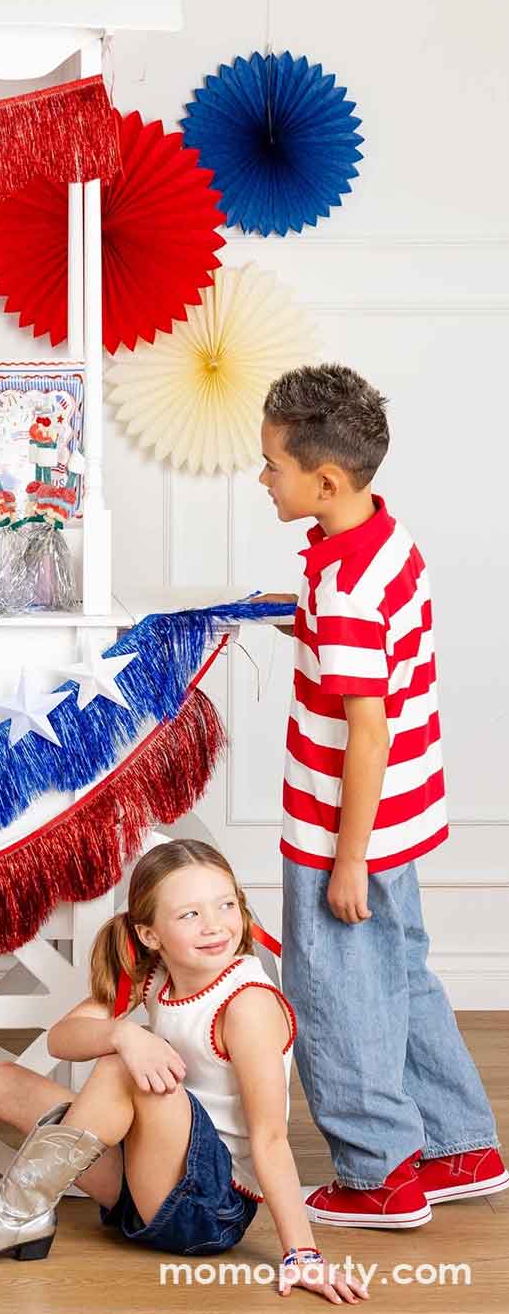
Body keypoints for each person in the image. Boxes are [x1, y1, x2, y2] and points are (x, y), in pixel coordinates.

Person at [0, 839, 365, 1301]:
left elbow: (270, 1138)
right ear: (149, 934)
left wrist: (303, 1254)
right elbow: (63, 1037)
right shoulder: (156, 979)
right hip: (143, 1181)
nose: (215, 925)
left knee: (124, 1069)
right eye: (189, 914)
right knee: (6, 1080)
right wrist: (123, 1031)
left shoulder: (248, 1005)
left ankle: (19, 1211)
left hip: (207, 1210)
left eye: (225, 905)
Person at [258, 363, 505, 1228]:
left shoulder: (343, 588)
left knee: (333, 992)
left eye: (273, 466)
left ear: (325, 481)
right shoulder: (383, 543)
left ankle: (378, 1174)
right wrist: (301, 622)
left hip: (343, 829)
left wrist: (346, 861)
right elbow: (372, 656)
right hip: (403, 814)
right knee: (398, 975)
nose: (262, 479)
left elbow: (366, 731)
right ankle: (460, 1145)